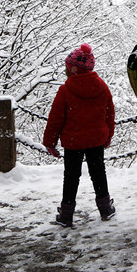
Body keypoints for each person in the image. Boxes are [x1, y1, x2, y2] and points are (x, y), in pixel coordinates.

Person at [43, 43, 116, 227]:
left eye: (67, 67)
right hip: (96, 140)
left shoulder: (65, 90)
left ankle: (66, 214)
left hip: (73, 141)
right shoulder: (102, 87)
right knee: (99, 173)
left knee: (71, 176)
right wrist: (108, 136)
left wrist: (50, 142)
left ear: (73, 69)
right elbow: (110, 114)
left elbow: (55, 118)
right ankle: (105, 208)